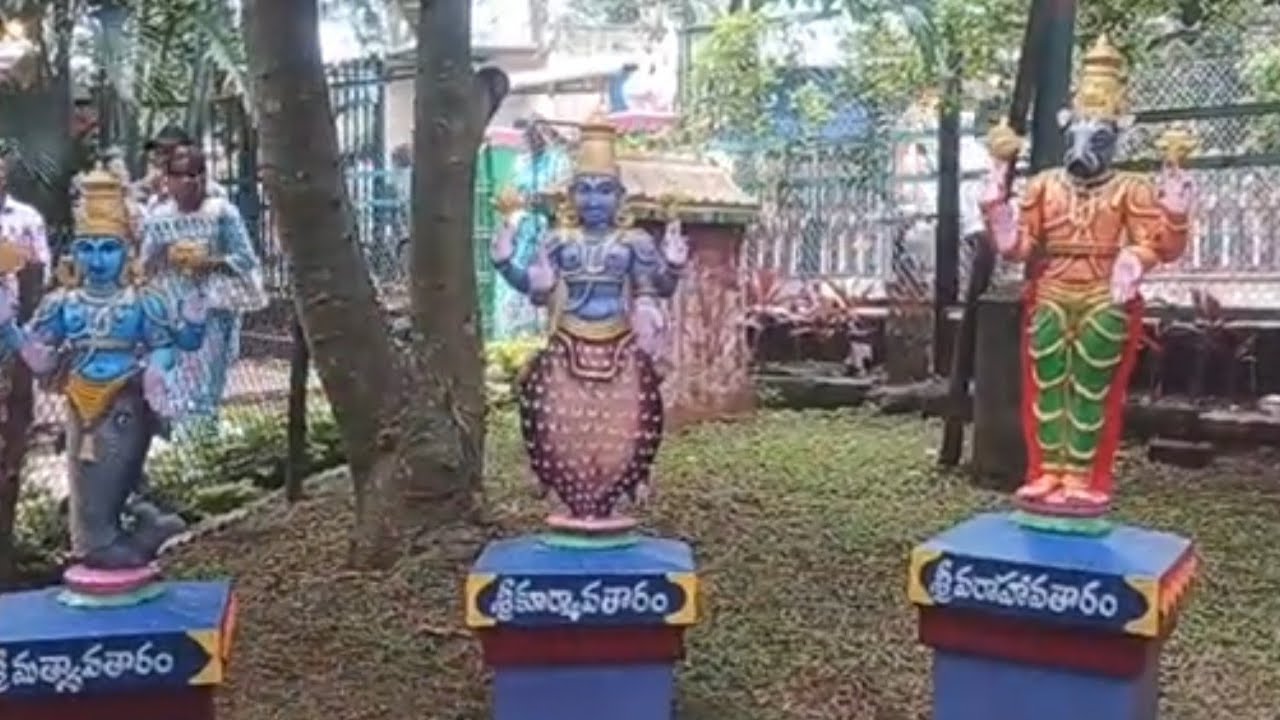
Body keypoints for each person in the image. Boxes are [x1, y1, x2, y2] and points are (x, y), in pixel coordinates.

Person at [0, 166, 205, 579]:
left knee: (120, 474)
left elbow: (172, 345)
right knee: (86, 487)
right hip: (81, 404)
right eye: (88, 248)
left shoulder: (142, 301)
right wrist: (9, 328)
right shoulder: (64, 303)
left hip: (127, 400)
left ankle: (123, 531)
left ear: (126, 251)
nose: (96, 260)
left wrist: (162, 366)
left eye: (107, 249)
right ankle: (100, 542)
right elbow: (41, 358)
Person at [490, 112, 687, 529]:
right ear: (571, 196)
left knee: (631, 417)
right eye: (585, 191)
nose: (593, 201)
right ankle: (569, 499)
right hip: (568, 341)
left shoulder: (634, 242)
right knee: (551, 415)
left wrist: (674, 263)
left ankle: (615, 495)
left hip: (619, 342)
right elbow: (537, 289)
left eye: (603, 192)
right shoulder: (557, 240)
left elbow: (659, 288)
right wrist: (505, 260)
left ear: (619, 198)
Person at [141, 146, 267, 438]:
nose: (190, 181)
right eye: (182, 175)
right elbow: (145, 265)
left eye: (197, 173)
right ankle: (179, 442)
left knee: (204, 382)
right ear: (168, 180)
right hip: (172, 307)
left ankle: (199, 444)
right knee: (173, 379)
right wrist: (163, 253)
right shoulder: (158, 218)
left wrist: (210, 262)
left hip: (213, 308)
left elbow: (245, 259)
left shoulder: (223, 213)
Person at [491, 115, 571, 340]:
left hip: (547, 230)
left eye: (537, 133)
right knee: (513, 287)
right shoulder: (521, 162)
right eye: (528, 134)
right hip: (522, 231)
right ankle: (511, 339)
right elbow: (513, 193)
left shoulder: (558, 161)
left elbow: (562, 194)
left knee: (545, 287)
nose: (533, 139)